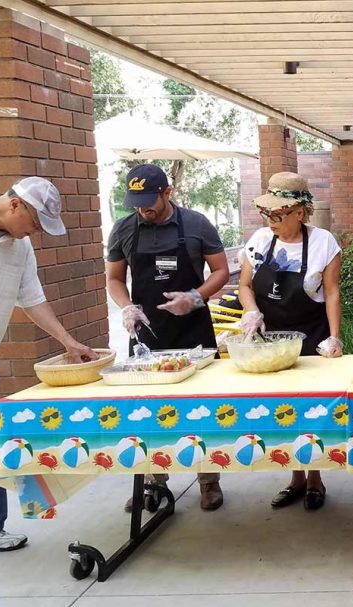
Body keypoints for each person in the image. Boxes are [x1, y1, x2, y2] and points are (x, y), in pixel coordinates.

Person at [0, 177, 97, 552]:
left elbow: (33, 300)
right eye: (36, 223)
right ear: (15, 206)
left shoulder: (21, 249)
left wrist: (69, 343)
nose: (35, 233)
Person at [106, 164, 230, 511]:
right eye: (136, 201)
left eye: (149, 200)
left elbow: (221, 270)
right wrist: (127, 307)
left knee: (201, 409)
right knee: (146, 411)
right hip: (147, 334)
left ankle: (209, 481)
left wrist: (195, 297)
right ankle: (151, 481)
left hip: (193, 331)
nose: (142, 208)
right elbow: (115, 278)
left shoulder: (196, 224)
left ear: (167, 193)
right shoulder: (125, 229)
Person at [238, 172, 342, 511]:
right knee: (284, 412)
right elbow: (244, 287)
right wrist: (251, 311)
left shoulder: (324, 242)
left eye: (278, 215)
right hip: (269, 339)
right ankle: (294, 478)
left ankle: (314, 479)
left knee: (311, 414)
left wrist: (335, 338)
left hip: (310, 337)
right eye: (267, 214)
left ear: (300, 211)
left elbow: (331, 293)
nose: (271, 222)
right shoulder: (259, 240)